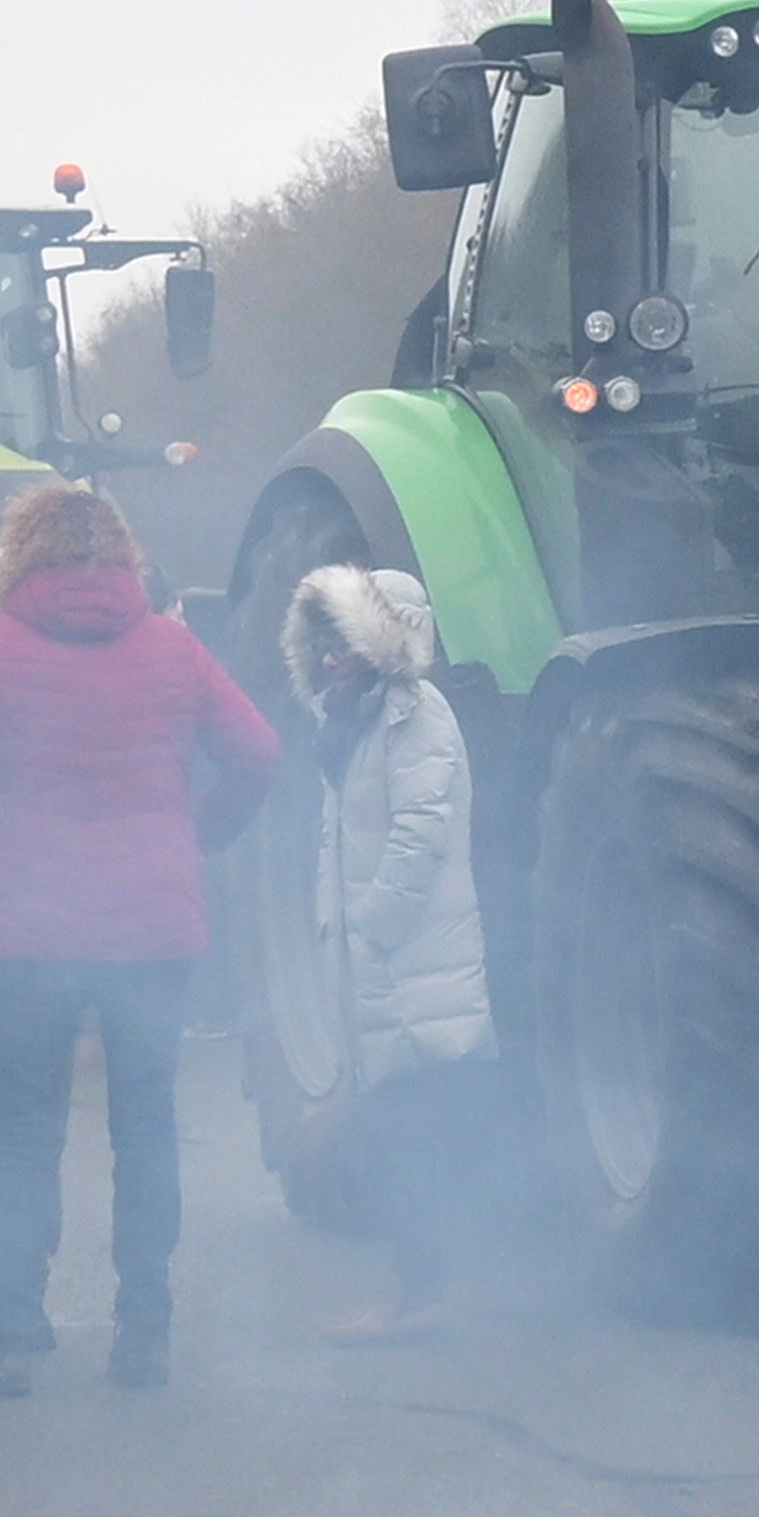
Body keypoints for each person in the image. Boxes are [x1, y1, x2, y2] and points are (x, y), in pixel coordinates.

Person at [0, 478, 278, 1397]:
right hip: (151, 928)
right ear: (123, 557)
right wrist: (200, 835)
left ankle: (10, 1338)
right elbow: (257, 753)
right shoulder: (173, 647)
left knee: (20, 1137)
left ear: (20, 556)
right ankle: (145, 1331)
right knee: (145, 1131)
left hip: (30, 928)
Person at [282, 562, 499, 1340]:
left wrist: (368, 930)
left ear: (383, 638)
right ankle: (424, 1289)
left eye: (344, 640)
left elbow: (419, 834)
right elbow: (338, 843)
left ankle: (421, 1295)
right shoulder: (359, 723)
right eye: (324, 641)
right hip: (387, 971)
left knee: (418, 1137)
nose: (330, 656)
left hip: (414, 972)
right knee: (411, 1135)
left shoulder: (417, 716)